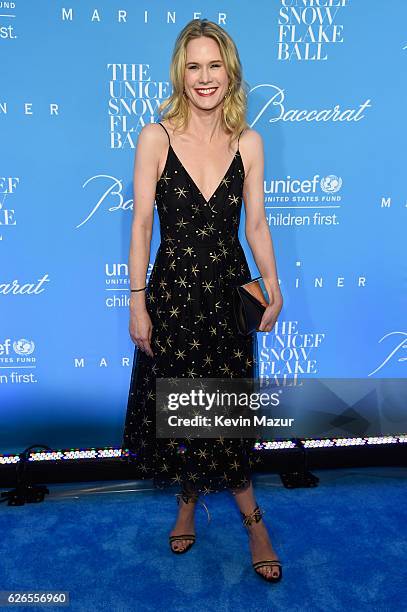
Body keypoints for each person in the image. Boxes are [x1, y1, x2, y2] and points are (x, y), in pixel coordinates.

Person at [122, 18, 283, 582]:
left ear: (229, 72)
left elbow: (256, 224)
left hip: (227, 295)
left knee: (226, 414)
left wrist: (274, 284)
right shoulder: (155, 137)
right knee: (181, 410)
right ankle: (190, 501)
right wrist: (137, 300)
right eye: (194, 65)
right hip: (171, 297)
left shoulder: (249, 142)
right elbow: (142, 224)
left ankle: (252, 520)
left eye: (215, 65)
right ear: (180, 72)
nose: (205, 76)